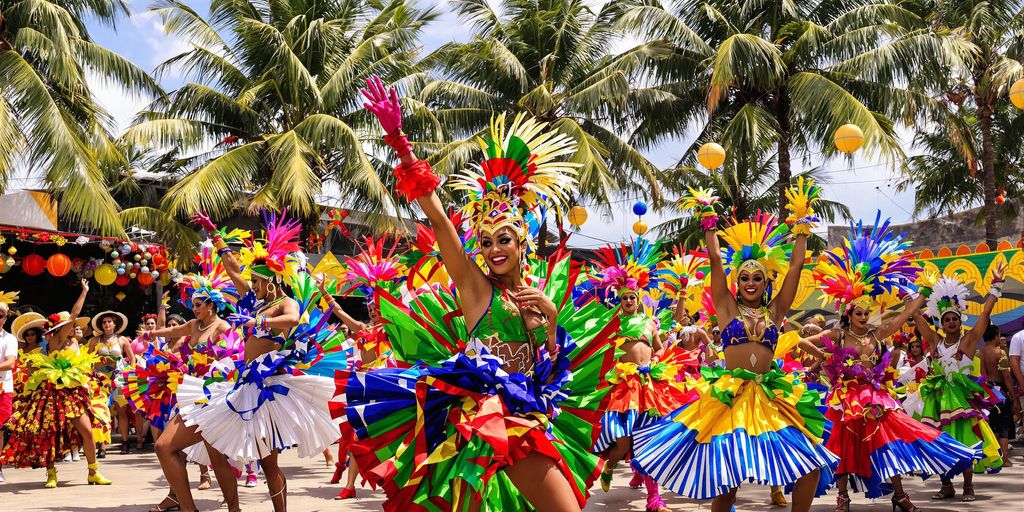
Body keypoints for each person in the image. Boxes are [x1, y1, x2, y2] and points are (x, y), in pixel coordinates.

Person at [339, 77, 617, 511]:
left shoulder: (534, 295)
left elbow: (550, 373)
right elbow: (439, 220)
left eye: (503, 239)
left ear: (523, 242)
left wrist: (552, 322)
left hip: (531, 415)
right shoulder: (476, 288)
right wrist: (400, 144)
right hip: (490, 420)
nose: (493, 250)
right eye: (485, 243)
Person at [632, 181, 837, 512]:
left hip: (770, 396)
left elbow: (796, 268)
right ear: (736, 282)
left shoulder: (775, 311)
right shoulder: (726, 309)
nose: (752, 282)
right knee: (727, 483)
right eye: (745, 277)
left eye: (758, 277)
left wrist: (801, 228)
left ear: (765, 282)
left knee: (810, 467)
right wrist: (709, 219)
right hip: (731, 396)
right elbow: (715, 259)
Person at [156, 211, 339, 512]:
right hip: (238, 383)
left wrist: (256, 319)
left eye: (256, 281)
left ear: (271, 281)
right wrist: (213, 232)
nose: (250, 285)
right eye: (251, 281)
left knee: (269, 466)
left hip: (267, 390)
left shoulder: (284, 302)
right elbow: (231, 269)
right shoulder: (256, 300)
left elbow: (293, 318)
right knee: (192, 448)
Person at [813, 216, 978, 512]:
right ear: (849, 313)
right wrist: (825, 359)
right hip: (845, 398)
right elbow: (803, 339)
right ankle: (842, 497)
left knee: (890, 439)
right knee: (845, 444)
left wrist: (924, 293)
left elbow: (905, 314)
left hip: (875, 394)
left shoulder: (878, 333)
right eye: (860, 313)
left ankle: (899, 494)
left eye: (868, 312)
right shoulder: (838, 335)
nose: (865, 317)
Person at [588, 238, 695, 512]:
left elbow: (659, 349)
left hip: (649, 383)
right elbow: (600, 350)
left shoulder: (649, 322)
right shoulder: (612, 322)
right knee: (623, 439)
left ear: (638, 299)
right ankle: (610, 465)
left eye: (632, 297)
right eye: (623, 297)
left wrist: (655, 361)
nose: (627, 301)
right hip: (624, 385)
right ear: (619, 299)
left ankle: (654, 499)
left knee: (647, 438)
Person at [315, 236, 402, 500]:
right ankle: (350, 485)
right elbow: (339, 312)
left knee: (385, 438)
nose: (374, 311)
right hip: (362, 384)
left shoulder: (393, 331)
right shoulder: (363, 329)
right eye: (371, 307)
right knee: (355, 438)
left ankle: (391, 484)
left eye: (378, 307)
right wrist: (323, 291)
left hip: (384, 385)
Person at [2, 279, 111, 487]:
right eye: (69, 324)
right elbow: (75, 314)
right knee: (50, 433)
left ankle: (93, 472)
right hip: (53, 392)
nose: (73, 326)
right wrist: (84, 292)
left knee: (87, 432)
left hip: (75, 392)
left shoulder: (76, 341)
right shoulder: (57, 340)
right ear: (62, 327)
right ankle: (51, 473)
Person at [911, 268, 1007, 500]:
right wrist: (910, 296)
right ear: (941, 324)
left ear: (960, 321)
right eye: (946, 319)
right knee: (941, 441)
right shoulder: (935, 340)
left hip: (962, 400)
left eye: (955, 318)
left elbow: (985, 314)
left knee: (965, 441)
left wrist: (996, 286)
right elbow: (916, 318)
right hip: (937, 400)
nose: (951, 322)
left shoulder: (970, 339)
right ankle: (946, 485)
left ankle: (968, 486)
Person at [89, 310, 135, 454]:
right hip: (100, 380)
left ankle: (125, 442)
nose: (107, 324)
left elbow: (132, 358)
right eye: (104, 322)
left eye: (109, 321)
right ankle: (102, 445)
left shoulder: (122, 340)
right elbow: (89, 359)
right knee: (101, 411)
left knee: (121, 411)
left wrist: (130, 374)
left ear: (115, 324)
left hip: (118, 379)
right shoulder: (94, 341)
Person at [979, 325, 1018, 468]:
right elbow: (1006, 376)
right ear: (996, 336)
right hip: (1000, 391)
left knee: (991, 425)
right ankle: (1004, 459)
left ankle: (992, 459)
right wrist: (1013, 395)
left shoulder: (979, 353)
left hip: (986, 391)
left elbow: (982, 375)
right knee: (1004, 428)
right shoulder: (1000, 353)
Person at [0, 292, 20, 483]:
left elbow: (10, 363)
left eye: (0, 315)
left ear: (5, 318)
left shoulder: (9, 339)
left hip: (2, 388)